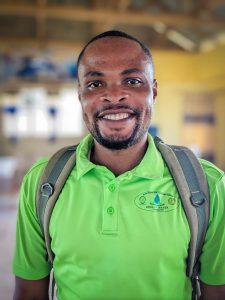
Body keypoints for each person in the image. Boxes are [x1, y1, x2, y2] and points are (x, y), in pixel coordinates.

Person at [12, 31, 225, 300]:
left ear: (153, 92)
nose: (113, 96)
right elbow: (29, 293)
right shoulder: (41, 182)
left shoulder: (208, 185)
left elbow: (217, 292)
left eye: (133, 81)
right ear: (80, 96)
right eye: (95, 85)